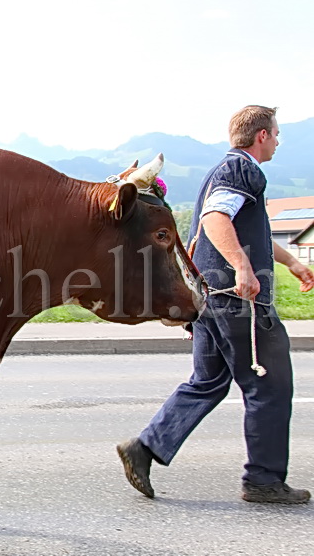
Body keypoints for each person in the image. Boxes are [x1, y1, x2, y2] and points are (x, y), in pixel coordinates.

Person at [117, 105, 314, 504]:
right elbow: (214, 220)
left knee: (208, 381)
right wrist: (243, 269)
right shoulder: (244, 170)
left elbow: (232, 226)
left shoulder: (219, 173)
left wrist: (291, 262)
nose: (277, 141)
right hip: (238, 299)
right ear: (261, 136)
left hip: (210, 296)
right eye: (276, 134)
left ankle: (145, 448)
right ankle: (263, 480)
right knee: (270, 386)